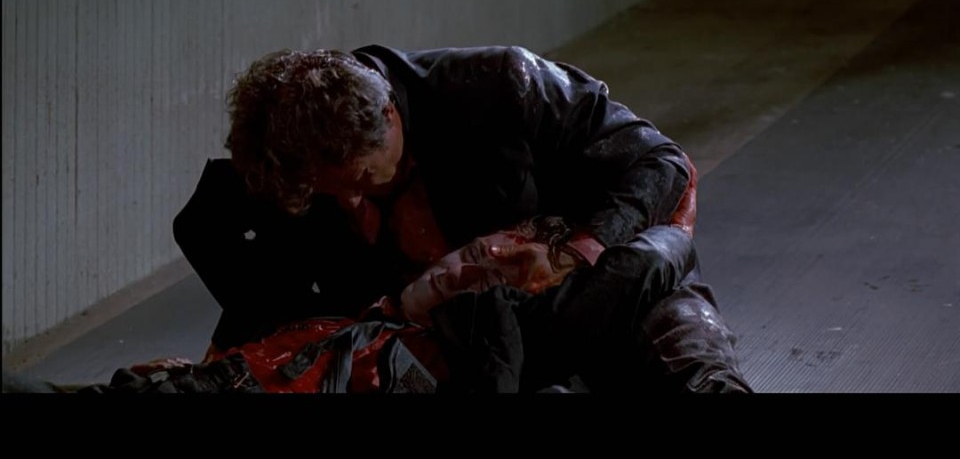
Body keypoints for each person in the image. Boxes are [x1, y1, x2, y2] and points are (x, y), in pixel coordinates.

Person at [172, 45, 751, 392]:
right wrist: (224, 366)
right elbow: (254, 284)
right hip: (449, 344)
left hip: (592, 283)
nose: (347, 203)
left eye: (363, 180)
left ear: (389, 117)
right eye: (330, 192)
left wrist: (573, 250)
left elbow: (659, 162)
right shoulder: (297, 162)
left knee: (687, 355)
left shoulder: (502, 86)